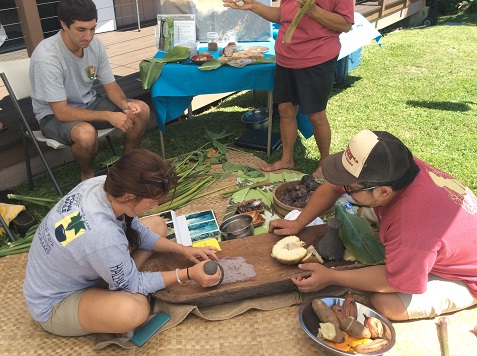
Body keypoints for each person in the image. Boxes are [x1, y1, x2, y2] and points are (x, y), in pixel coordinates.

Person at [269, 129, 477, 320]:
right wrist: (298, 223)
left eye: (350, 187)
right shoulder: (396, 167)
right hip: (447, 233)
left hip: (469, 275)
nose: (344, 188)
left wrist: (332, 277)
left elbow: (391, 281)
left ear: (383, 192)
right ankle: (422, 259)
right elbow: (333, 187)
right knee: (362, 207)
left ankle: (462, 290)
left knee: (385, 304)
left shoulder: (410, 226)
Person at [23, 149, 222, 337]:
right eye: (152, 202)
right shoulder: (103, 235)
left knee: (157, 225)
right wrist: (187, 274)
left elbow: (138, 232)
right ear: (128, 196)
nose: (156, 206)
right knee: (135, 310)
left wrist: (183, 250)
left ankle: (120, 275)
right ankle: (120, 280)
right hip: (56, 303)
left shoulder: (106, 185)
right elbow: (134, 283)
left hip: (88, 263)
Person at [223, 0, 354, 178]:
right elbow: (284, 15)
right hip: (286, 56)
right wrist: (253, 5)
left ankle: (325, 162)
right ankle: (287, 159)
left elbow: (345, 24)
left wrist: (313, 10)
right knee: (285, 110)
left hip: (317, 57)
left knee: (316, 115)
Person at [30, 0, 150, 181]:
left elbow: (111, 86)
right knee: (86, 135)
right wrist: (108, 116)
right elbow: (61, 113)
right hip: (52, 115)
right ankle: (87, 176)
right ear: (63, 25)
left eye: (92, 28)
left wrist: (125, 105)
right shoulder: (47, 57)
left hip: (89, 102)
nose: (88, 36)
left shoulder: (96, 45)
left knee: (141, 110)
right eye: (81, 30)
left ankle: (126, 167)